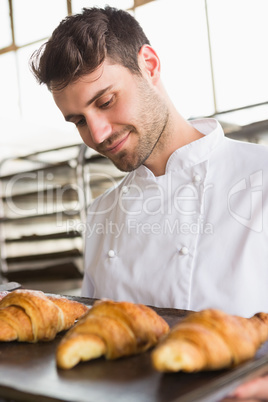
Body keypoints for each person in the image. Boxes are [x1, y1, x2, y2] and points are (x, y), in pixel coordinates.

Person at [30, 6, 268, 399]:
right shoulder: (103, 213)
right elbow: (93, 333)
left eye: (105, 101)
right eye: (78, 121)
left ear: (150, 65)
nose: (98, 133)